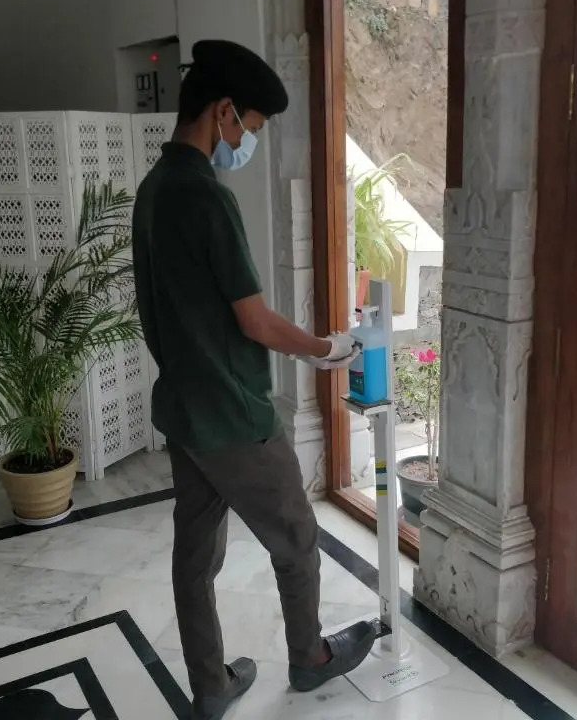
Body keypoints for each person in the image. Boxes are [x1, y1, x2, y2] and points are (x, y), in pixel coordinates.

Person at [132, 39, 376, 720]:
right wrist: (326, 349)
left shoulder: (153, 189)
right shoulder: (207, 197)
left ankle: (210, 685)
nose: (246, 142)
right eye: (251, 127)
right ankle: (310, 658)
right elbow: (256, 320)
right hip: (233, 413)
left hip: (183, 408)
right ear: (224, 112)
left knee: (195, 555)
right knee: (297, 537)